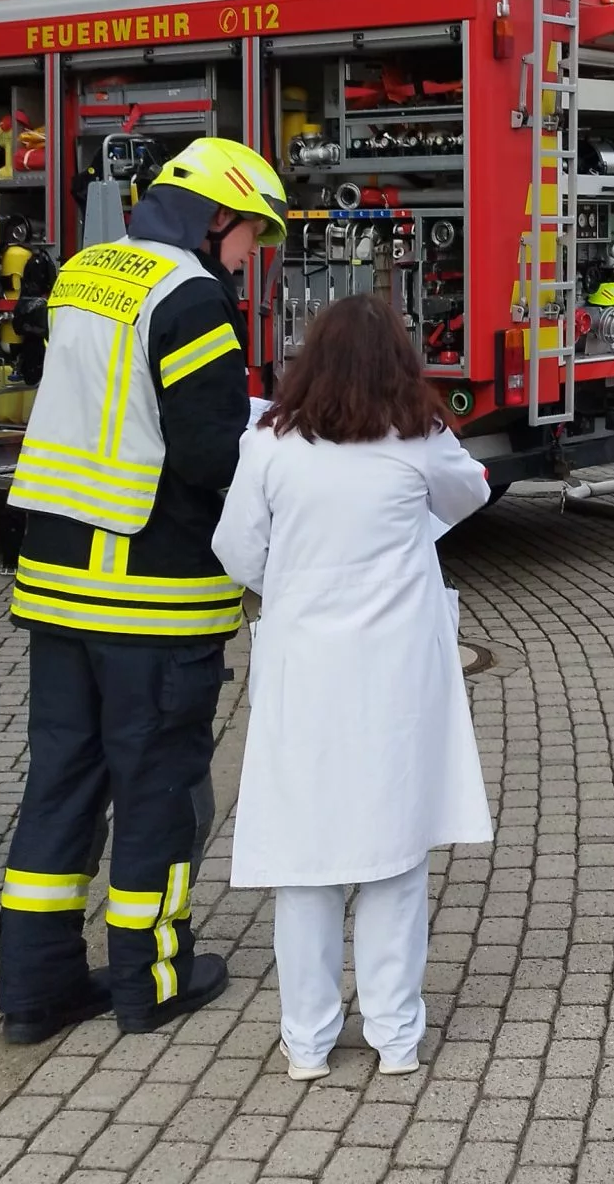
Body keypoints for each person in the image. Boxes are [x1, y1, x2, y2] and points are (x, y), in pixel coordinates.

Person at [0, 137, 286, 1043]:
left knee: (63, 783)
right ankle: (151, 979)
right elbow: (205, 452)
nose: (252, 256)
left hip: (55, 584)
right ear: (218, 217)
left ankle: (36, 990)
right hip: (150, 596)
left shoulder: (89, 272)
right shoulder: (192, 295)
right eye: (252, 237)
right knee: (158, 785)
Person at [213, 292, 493, 1080]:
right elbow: (468, 494)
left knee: (306, 860)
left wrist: (294, 586)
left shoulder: (270, 442)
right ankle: (395, 1039)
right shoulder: (422, 437)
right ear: (400, 362)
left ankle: (306, 1044)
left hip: (303, 666)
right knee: (394, 851)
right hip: (397, 670)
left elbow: (235, 546)